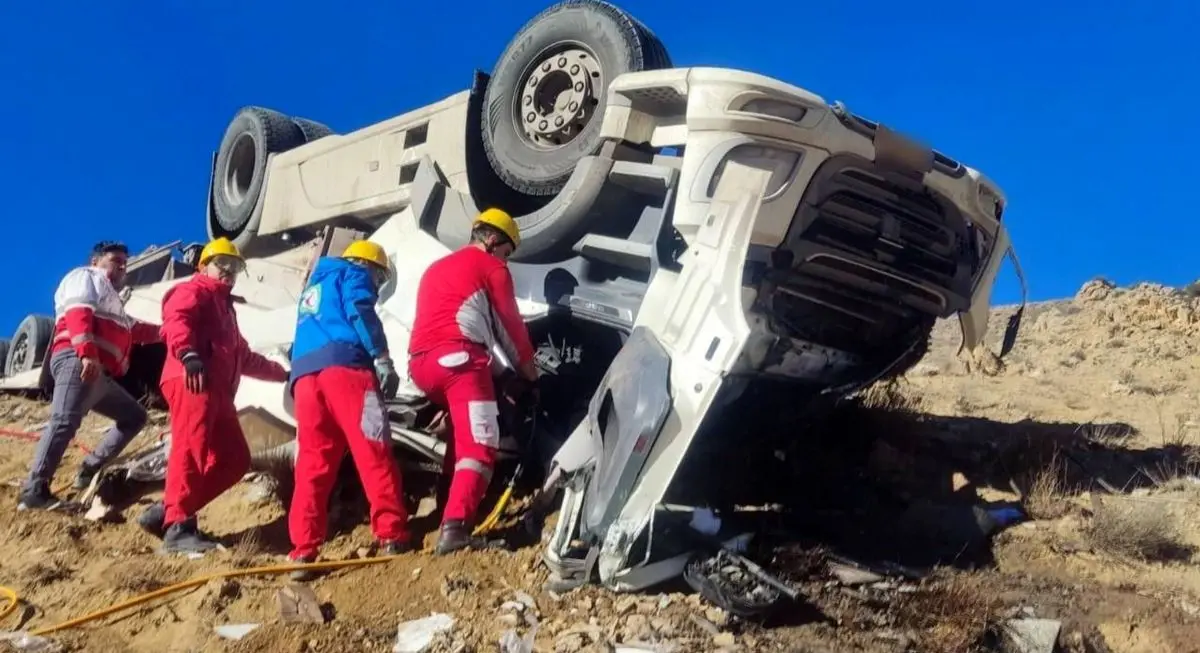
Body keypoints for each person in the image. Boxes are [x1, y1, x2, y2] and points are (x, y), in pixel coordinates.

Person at [139, 237, 289, 553]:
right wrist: (188, 354)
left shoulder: (226, 311)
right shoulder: (193, 290)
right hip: (192, 378)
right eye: (222, 264)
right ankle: (179, 528)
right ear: (203, 265)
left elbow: (245, 358)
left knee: (235, 459)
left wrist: (285, 374)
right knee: (191, 448)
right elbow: (176, 321)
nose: (228, 271)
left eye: (235, 267)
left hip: (219, 391)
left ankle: (166, 513)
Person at [407, 208, 539, 555]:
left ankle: (446, 508)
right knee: (480, 444)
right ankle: (456, 530)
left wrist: (502, 376)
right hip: (460, 362)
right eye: (506, 252)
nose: (506, 261)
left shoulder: (437, 268)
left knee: (460, 436)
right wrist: (530, 376)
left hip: (422, 366)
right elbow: (510, 328)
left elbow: (460, 325)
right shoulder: (492, 268)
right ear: (493, 240)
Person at [285, 240, 411, 579]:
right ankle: (392, 533)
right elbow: (359, 309)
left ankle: (303, 550)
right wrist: (382, 357)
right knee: (373, 448)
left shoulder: (314, 288)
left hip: (305, 379)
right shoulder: (353, 274)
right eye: (379, 277)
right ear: (368, 265)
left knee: (312, 464)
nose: (377, 285)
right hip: (347, 371)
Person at [18, 241, 162, 510]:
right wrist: (86, 353)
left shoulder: (112, 299)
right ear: (95, 261)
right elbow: (78, 313)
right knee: (64, 421)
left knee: (135, 417)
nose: (122, 267)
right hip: (78, 360)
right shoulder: (85, 277)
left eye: (124, 263)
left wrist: (169, 330)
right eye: (115, 261)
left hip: (99, 374)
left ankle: (89, 469)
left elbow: (135, 331)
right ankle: (34, 491)